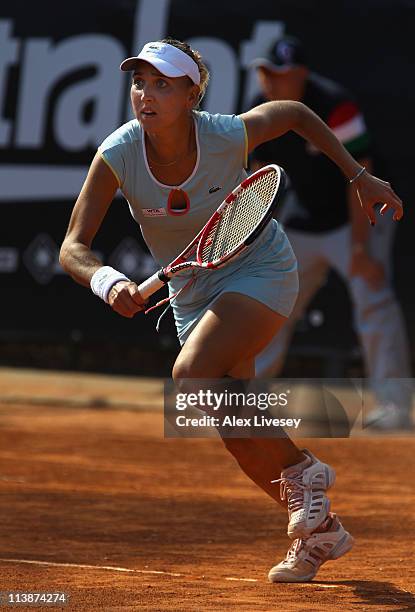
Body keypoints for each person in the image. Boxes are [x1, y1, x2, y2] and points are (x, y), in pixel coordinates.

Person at [59, 38, 403, 582]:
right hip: (191, 293)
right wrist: (107, 282)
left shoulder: (222, 133)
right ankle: (320, 534)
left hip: (258, 268)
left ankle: (306, 473)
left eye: (163, 84)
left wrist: (358, 177)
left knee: (192, 377)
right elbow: (72, 246)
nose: (146, 94)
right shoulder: (119, 153)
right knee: (238, 433)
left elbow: (291, 114)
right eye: (139, 81)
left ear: (192, 93)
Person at [251, 36, 412, 430]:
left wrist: (360, 247)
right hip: (305, 218)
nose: (270, 80)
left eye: (281, 74)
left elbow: (361, 173)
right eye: (266, 72)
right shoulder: (260, 110)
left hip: (361, 213)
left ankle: (393, 409)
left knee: (373, 298)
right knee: (270, 305)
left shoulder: (334, 106)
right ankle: (248, 399)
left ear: (302, 76)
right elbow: (254, 178)